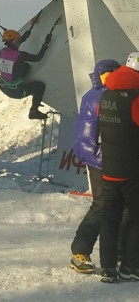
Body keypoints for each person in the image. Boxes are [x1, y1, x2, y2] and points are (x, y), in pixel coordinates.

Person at [70, 59, 121, 274]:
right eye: (106, 74)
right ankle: (79, 252)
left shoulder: (119, 96)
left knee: (124, 205)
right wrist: (105, 161)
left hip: (117, 161)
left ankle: (118, 252)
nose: (110, 77)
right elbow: (84, 142)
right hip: (101, 162)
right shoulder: (94, 98)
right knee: (102, 205)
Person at [98, 52, 139, 283]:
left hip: (110, 169)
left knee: (110, 217)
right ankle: (130, 266)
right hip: (133, 169)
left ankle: (108, 268)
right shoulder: (135, 98)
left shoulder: (106, 95)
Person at [0, 28, 52, 120]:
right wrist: (46, 44)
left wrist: (24, 37)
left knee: (26, 66)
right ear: (14, 41)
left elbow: (13, 46)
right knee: (40, 86)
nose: (19, 41)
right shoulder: (21, 56)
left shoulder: (3, 51)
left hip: (2, 86)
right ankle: (34, 111)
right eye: (17, 40)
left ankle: (19, 82)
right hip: (16, 92)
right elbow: (38, 58)